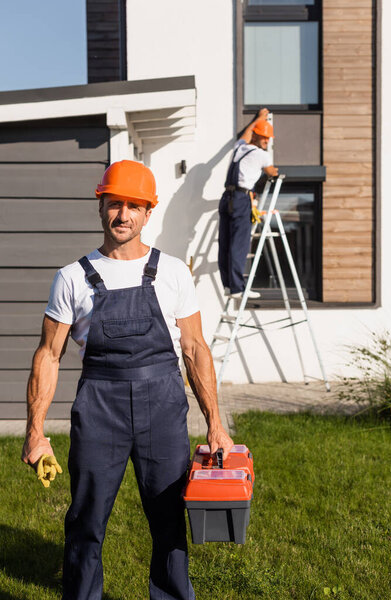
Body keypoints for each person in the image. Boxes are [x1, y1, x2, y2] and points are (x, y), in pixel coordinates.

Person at [21, 160, 234, 600]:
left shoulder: (173, 272)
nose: (123, 215)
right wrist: (35, 431)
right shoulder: (72, 277)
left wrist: (215, 422)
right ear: (100, 206)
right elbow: (48, 354)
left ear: (148, 212)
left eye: (134, 206)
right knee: (86, 519)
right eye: (115, 203)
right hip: (100, 406)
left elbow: (194, 349)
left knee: (169, 519)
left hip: (163, 404)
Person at [218, 107, 279, 299]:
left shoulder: (240, 148)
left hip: (226, 198)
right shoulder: (262, 155)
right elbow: (271, 172)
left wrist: (258, 119)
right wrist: (276, 172)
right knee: (239, 244)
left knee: (225, 243)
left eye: (268, 139)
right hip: (241, 199)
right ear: (258, 137)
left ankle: (229, 285)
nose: (267, 142)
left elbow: (245, 134)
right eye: (264, 138)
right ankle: (237, 288)